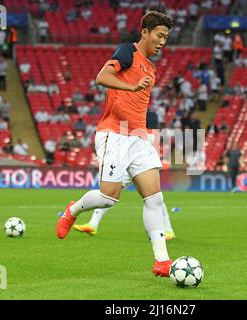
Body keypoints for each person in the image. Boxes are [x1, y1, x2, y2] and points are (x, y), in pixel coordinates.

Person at [56, 11, 173, 277]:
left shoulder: (151, 68)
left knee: (154, 199)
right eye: (159, 35)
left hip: (139, 138)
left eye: (166, 37)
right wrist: (130, 88)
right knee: (108, 199)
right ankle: (72, 209)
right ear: (145, 32)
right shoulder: (126, 52)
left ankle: (162, 261)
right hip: (115, 134)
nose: (162, 42)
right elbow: (101, 77)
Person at [73, 110, 176, 240]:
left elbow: (151, 138)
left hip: (139, 162)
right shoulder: (128, 113)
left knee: (151, 197)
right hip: (127, 161)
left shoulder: (148, 115)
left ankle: (168, 230)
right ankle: (93, 224)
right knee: (110, 195)